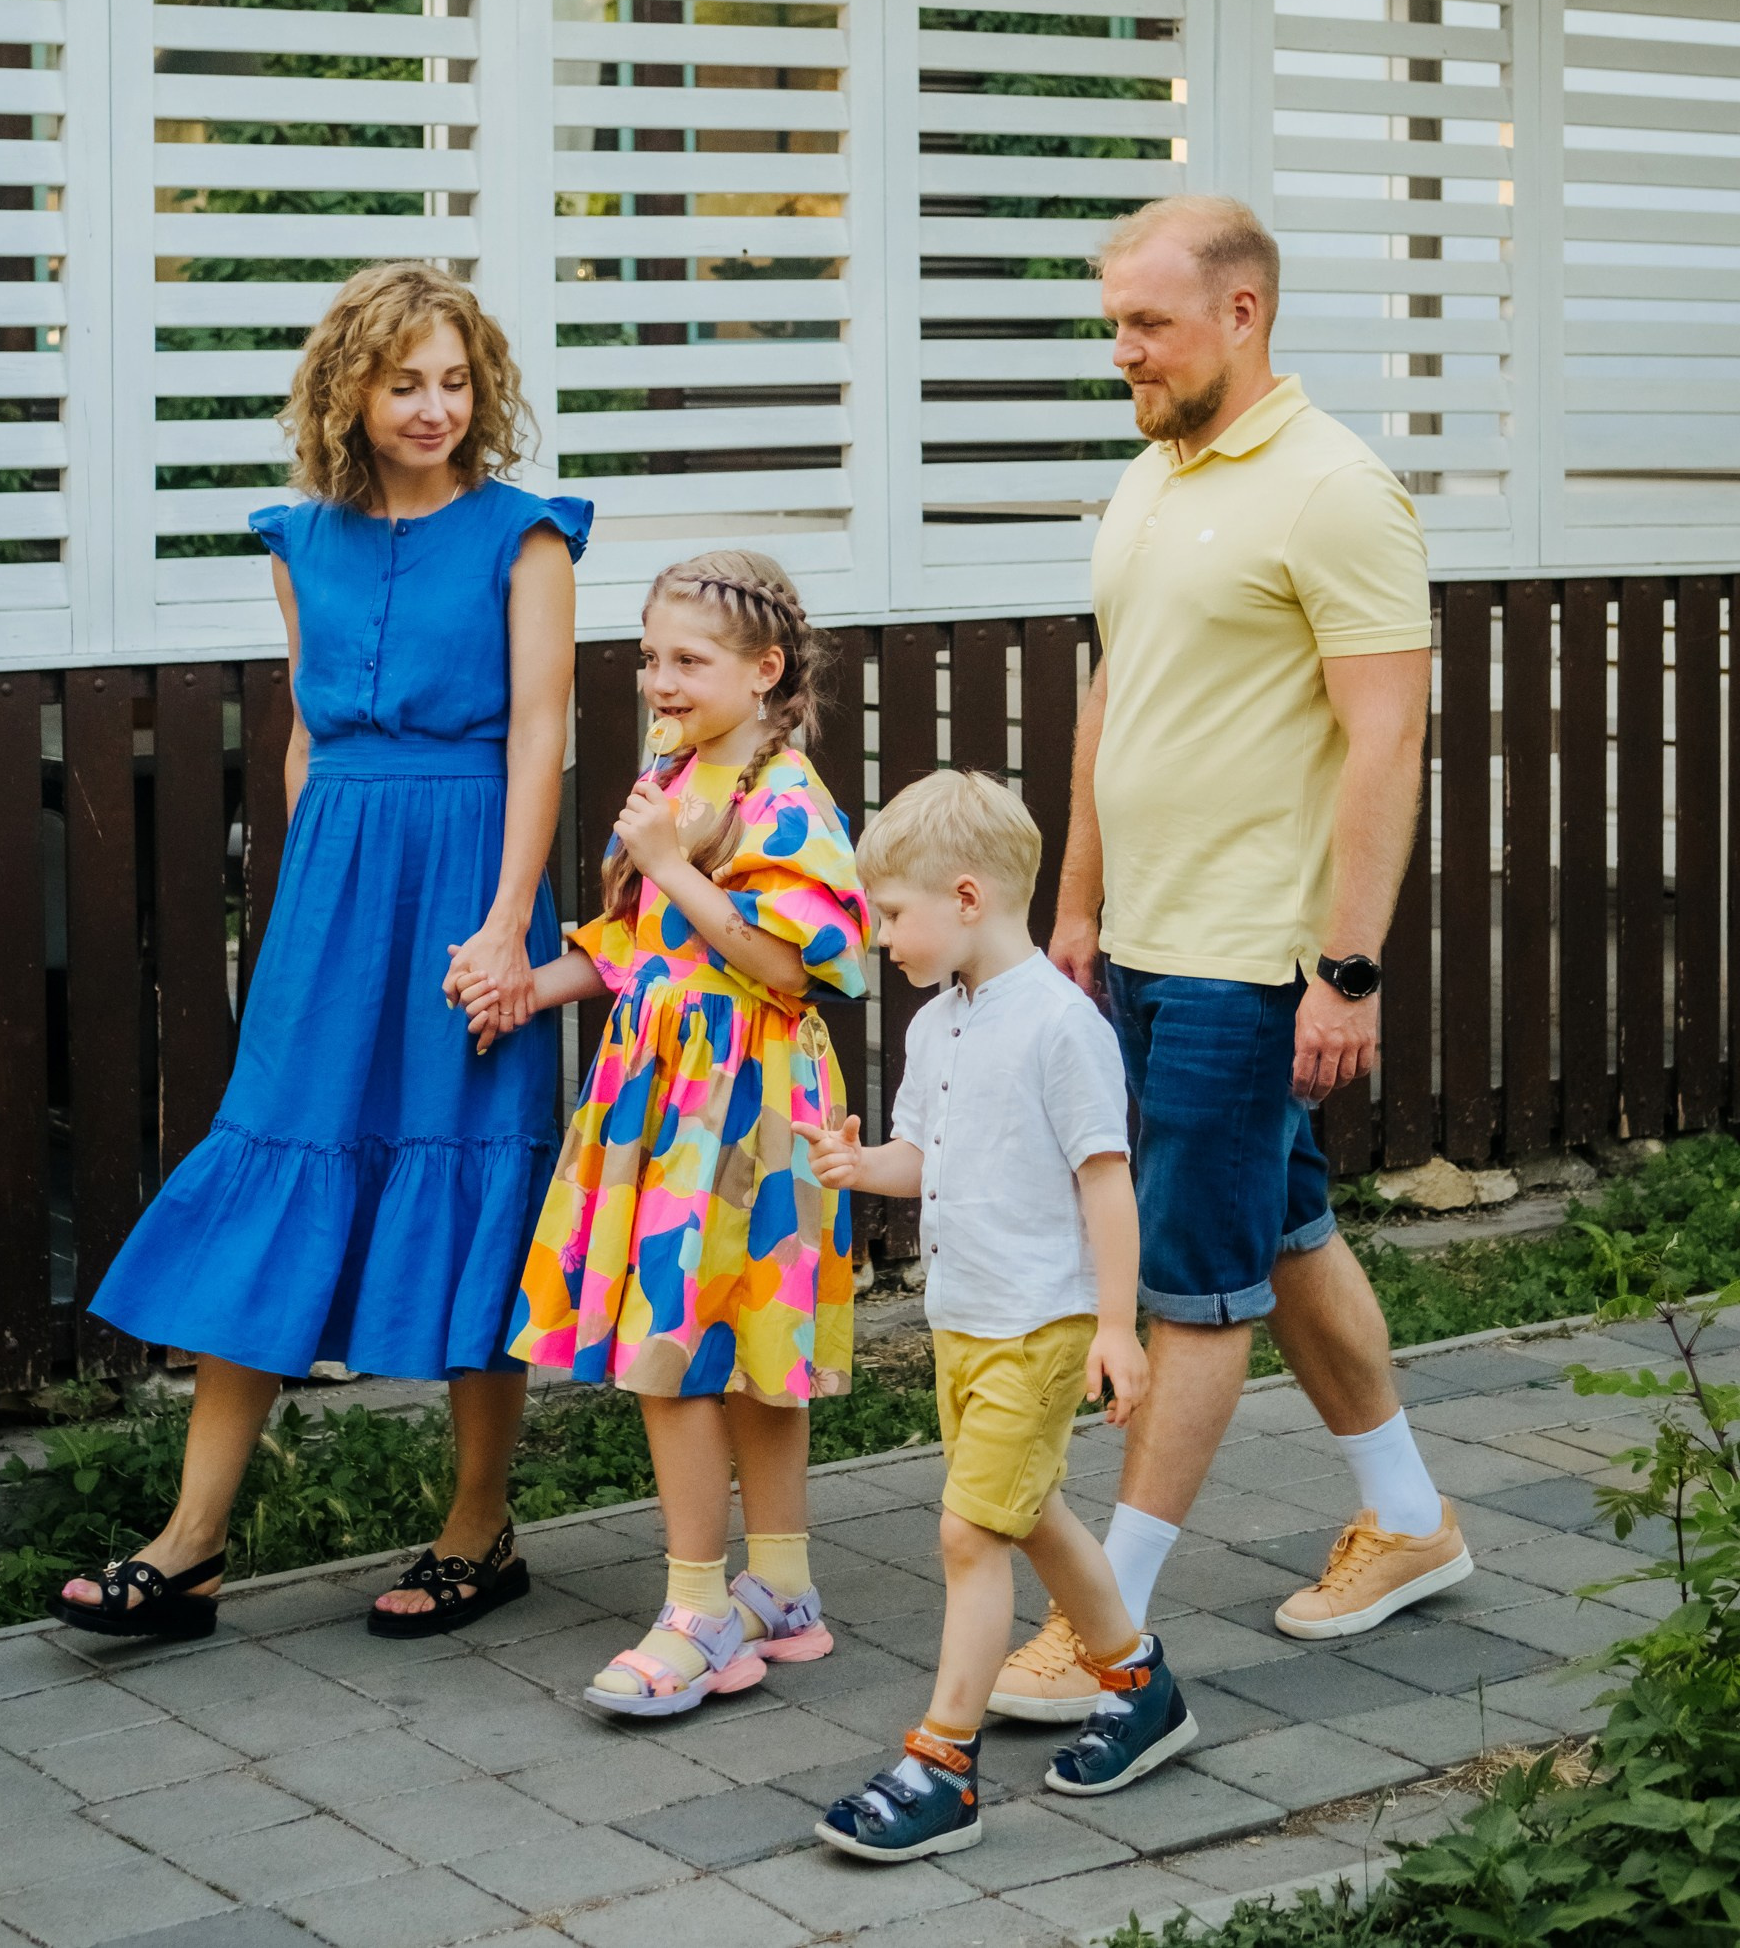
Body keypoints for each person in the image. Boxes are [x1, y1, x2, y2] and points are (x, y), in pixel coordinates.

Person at [59, 262, 590, 1645]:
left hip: (474, 871)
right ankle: (189, 1546)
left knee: (475, 1171)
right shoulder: (299, 539)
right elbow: (303, 738)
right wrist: (302, 909)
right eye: (404, 379)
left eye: (456, 380)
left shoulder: (526, 538)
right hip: (337, 886)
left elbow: (543, 732)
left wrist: (502, 917)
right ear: (349, 386)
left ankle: (480, 1527)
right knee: (275, 1163)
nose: (433, 405)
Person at [1010, 193, 1458, 1716]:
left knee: (1193, 1289)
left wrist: (1346, 966)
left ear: (1245, 311)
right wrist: (1073, 904)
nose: (1122, 349)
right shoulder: (1149, 476)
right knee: (1279, 1229)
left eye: (1150, 322)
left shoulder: (1336, 491)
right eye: (1115, 321)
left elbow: (1387, 738)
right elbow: (1115, 702)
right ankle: (1409, 1518)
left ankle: (1106, 1621)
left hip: (1248, 960)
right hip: (1141, 935)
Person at [472, 550, 868, 1717]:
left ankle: (700, 1613)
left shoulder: (784, 796)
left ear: (765, 670)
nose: (658, 680)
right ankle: (781, 1588)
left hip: (742, 1096)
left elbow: (793, 965)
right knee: (729, 1337)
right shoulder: (676, 770)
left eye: (686, 660)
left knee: (681, 1339)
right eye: (648, 657)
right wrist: (538, 988)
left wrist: (667, 865)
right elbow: (641, 939)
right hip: (664, 1088)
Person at [800, 771, 1195, 1865]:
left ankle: (940, 1765)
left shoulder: (1061, 1028)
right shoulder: (938, 1028)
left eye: (889, 914)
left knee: (967, 1532)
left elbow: (1106, 1180)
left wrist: (1114, 1326)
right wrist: (853, 1166)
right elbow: (919, 1156)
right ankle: (1138, 1686)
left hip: (1040, 1321)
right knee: (1025, 1513)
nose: (880, 938)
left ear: (964, 898)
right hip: (963, 1319)